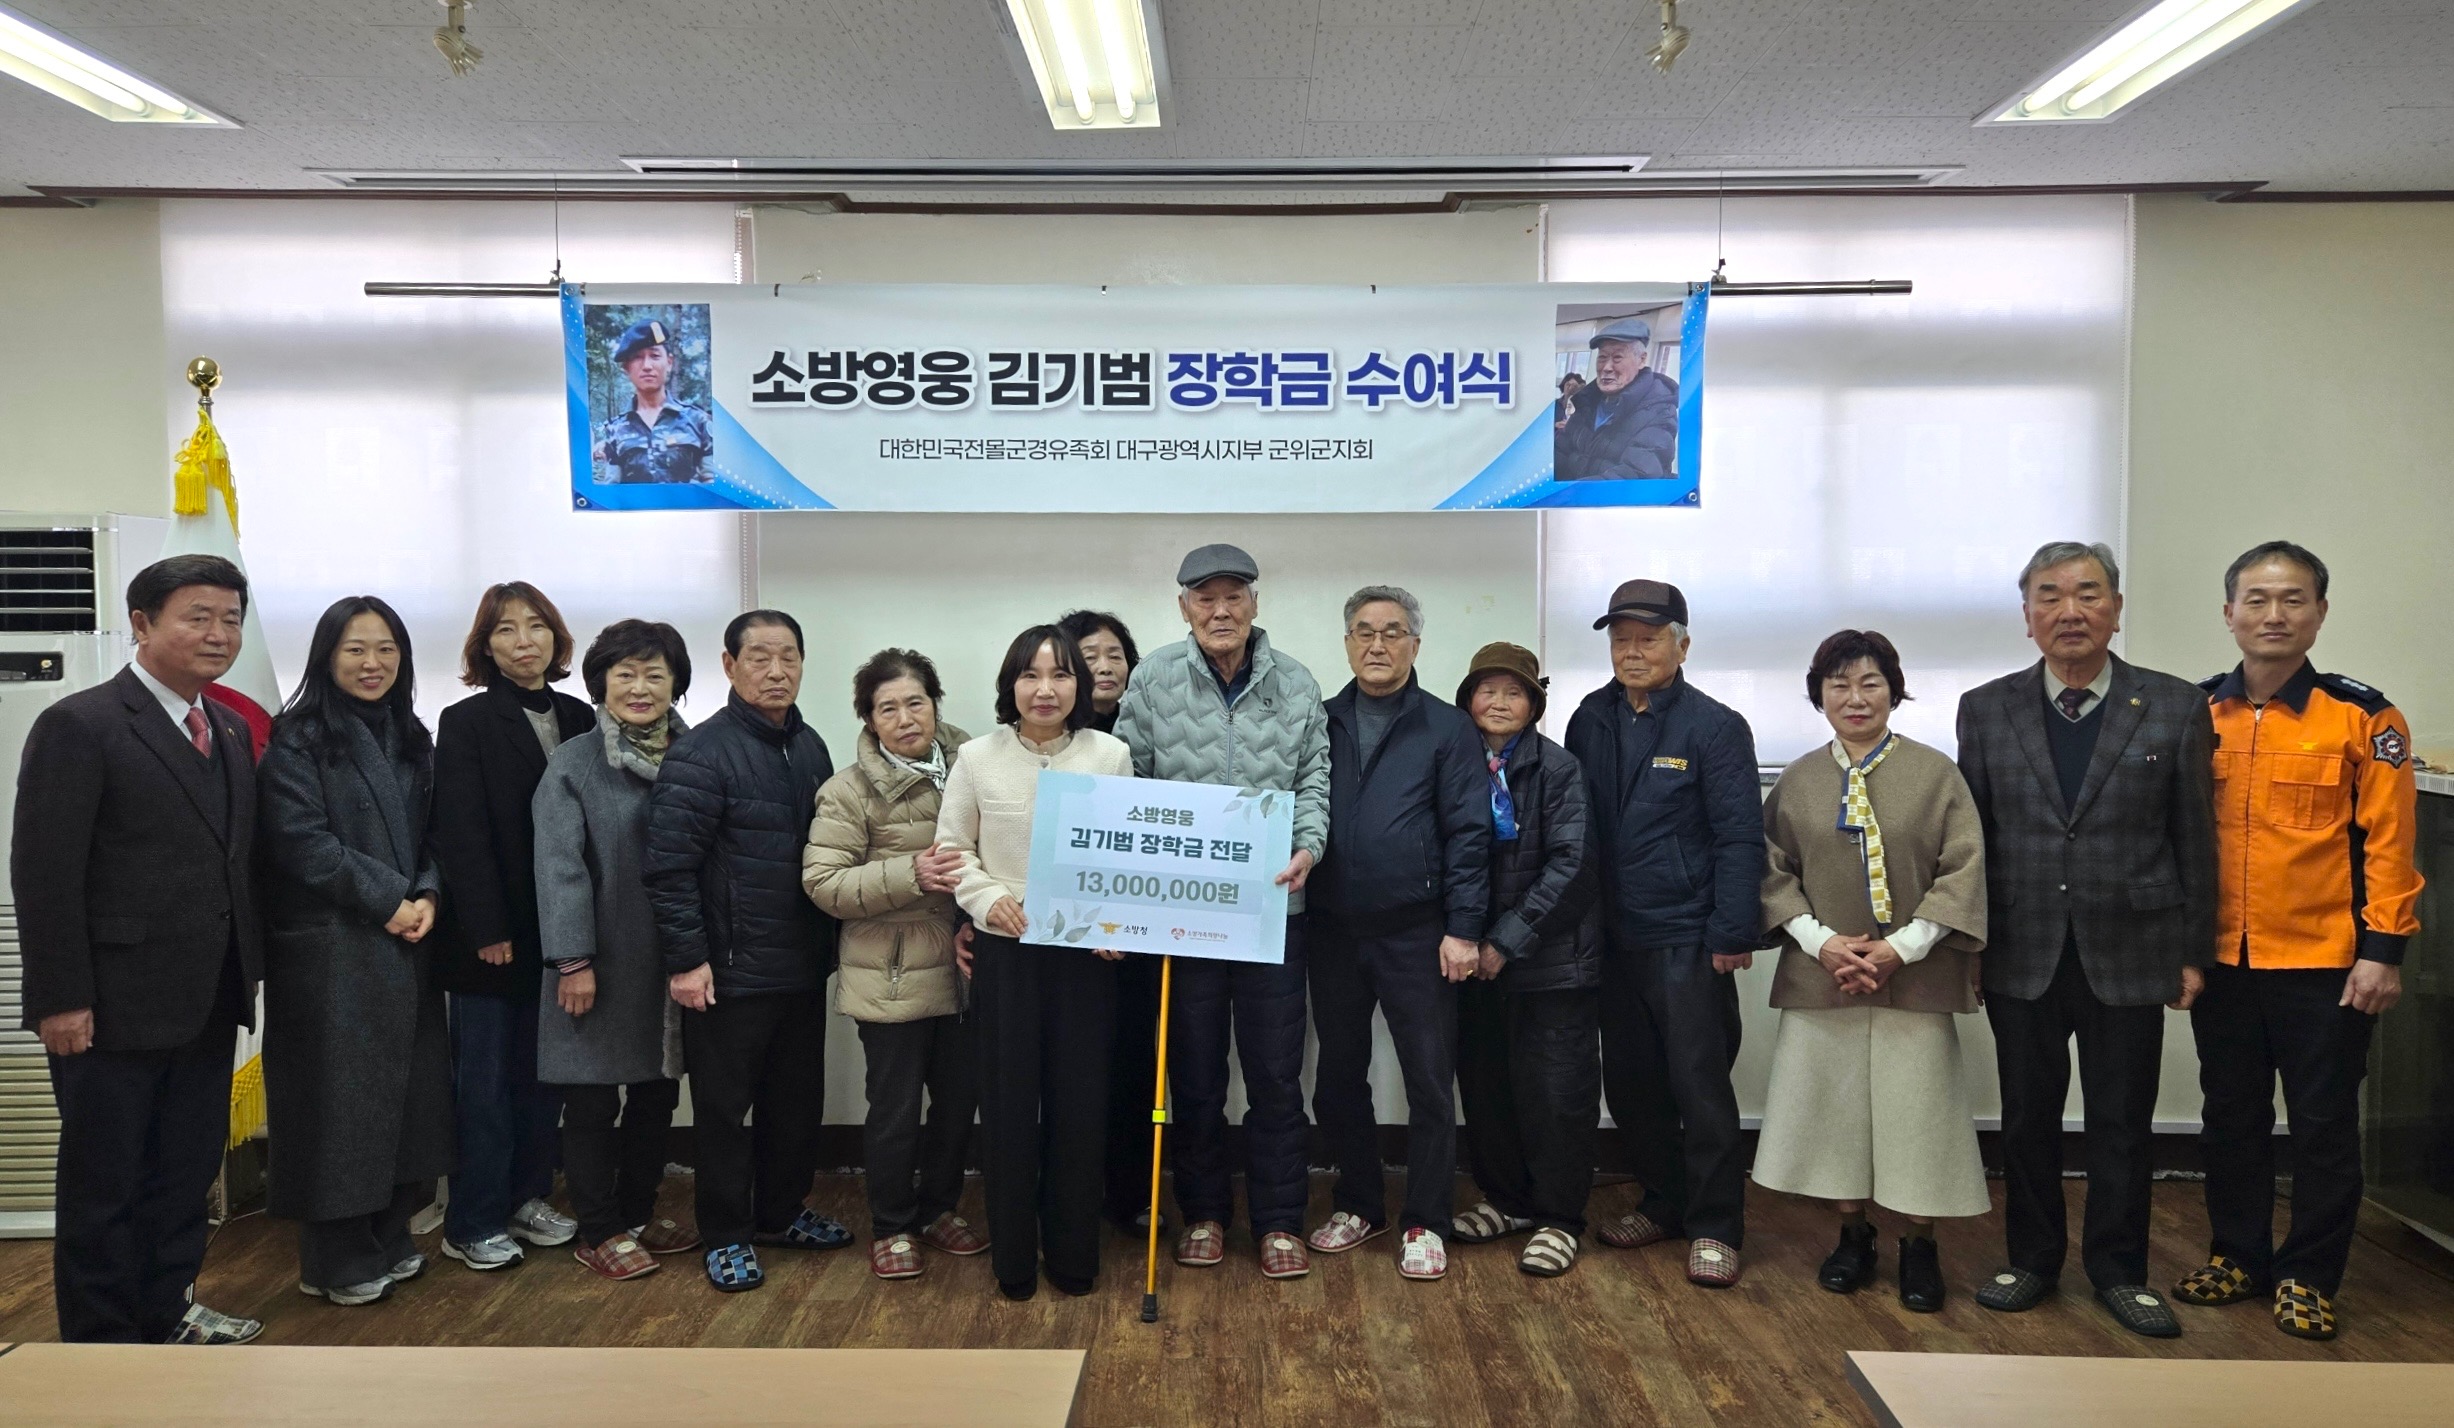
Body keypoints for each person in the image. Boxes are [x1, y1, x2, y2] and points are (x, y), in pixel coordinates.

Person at [1956, 540, 2216, 1338]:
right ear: (2028, 615)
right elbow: (1973, 840)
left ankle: (2119, 1270)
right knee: (2026, 1118)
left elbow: (2195, 837)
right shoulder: (1985, 707)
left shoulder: (2174, 705)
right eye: (2050, 596)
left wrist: (2193, 951)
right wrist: (1969, 948)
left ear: (2116, 608)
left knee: (2122, 1122)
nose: (2070, 611)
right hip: (2021, 947)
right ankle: (2032, 1259)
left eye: (2088, 593)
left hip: (2132, 949)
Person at [12, 555, 265, 1344]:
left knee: (184, 1175)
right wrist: (60, 998)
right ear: (142, 624)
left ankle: (168, 1313)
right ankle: (101, 1346)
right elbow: (44, 874)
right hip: (110, 1007)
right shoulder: (80, 725)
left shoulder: (227, 727)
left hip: (208, 998)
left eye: (231, 619)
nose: (219, 634)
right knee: (106, 1185)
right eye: (198, 617)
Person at [2174, 541, 2422, 1341]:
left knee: (2322, 1125)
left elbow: (2390, 845)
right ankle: (2238, 1255)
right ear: (2229, 614)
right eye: (2256, 599)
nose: (2273, 615)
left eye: (2292, 599)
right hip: (2224, 959)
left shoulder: (2364, 717)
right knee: (2230, 1116)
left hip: (2326, 963)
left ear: (2319, 613)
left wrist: (2384, 952)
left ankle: (2309, 1276)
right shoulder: (2194, 714)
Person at [1751, 630, 1990, 1314]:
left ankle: (1920, 1242)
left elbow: (1964, 870)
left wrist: (1901, 949)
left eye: (1870, 683)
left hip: (1916, 973)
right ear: (1819, 695)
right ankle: (1852, 1234)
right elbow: (1770, 872)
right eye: (1839, 685)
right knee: (1834, 1111)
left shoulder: (1936, 774)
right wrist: (1824, 943)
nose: (1855, 698)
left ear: (1894, 690)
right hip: (1821, 973)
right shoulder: (1797, 780)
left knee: (1919, 1113)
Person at [1110, 548, 1328, 1279]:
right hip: (1185, 916)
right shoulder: (1153, 679)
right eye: (1205, 599)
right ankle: (1202, 1213)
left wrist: (1309, 848)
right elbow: (1128, 781)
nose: (1221, 611)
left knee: (1275, 1076)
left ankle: (1279, 1220)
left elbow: (1314, 781)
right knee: (1194, 1074)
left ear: (1255, 604)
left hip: (1275, 908)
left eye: (1234, 596)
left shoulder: (1296, 682)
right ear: (1185, 608)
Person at [1563, 579, 1763, 1288]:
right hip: (1611, 936)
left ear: (1682, 644)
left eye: (1648, 639)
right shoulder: (1589, 718)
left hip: (1687, 935)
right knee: (1632, 1084)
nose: (1632, 651)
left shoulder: (1715, 726)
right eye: (1621, 639)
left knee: (1699, 1087)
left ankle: (1715, 1226)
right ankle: (1662, 1202)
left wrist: (1732, 931)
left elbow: (1741, 837)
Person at [645, 609, 849, 1293]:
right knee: (724, 1114)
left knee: (795, 1105)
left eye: (788, 656)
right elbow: (668, 869)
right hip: (726, 973)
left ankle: (781, 1213)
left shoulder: (811, 745)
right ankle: (727, 1233)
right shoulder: (700, 753)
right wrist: (686, 960)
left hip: (800, 965)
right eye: (759, 657)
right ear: (730, 666)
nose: (776, 671)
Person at [258, 596, 452, 1308]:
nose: (373, 663)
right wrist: (390, 900)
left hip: (406, 942)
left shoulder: (412, 735)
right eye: (355, 649)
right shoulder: (297, 738)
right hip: (334, 949)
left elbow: (435, 832)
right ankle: (334, 1259)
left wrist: (428, 893)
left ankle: (389, 1235)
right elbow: (301, 843)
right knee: (337, 1109)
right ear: (326, 657)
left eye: (386, 649)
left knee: (409, 1101)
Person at [936, 626, 1134, 1300]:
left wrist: (1115, 920)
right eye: (1030, 675)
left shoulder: (1110, 755)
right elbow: (952, 850)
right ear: (1011, 684)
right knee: (1009, 1105)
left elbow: (1125, 852)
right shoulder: (975, 757)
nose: (1045, 689)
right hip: (1007, 952)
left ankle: (1074, 1254)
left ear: (1081, 685)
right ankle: (1015, 1259)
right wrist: (986, 900)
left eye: (1060, 674)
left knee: (1081, 1105)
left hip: (1085, 960)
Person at [1307, 584, 1490, 1282]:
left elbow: (1470, 835)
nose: (1377, 645)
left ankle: (1426, 1220)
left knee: (1429, 1083)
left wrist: (1464, 930)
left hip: (1419, 933)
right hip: (1332, 931)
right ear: (1347, 643)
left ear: (1416, 643)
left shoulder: (1446, 727)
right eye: (1364, 632)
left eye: (1392, 632)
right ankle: (1359, 1203)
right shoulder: (1320, 721)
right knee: (1337, 1077)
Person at [802, 648, 988, 1281]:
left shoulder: (977, 765)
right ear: (868, 719)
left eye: (916, 702)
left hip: (967, 969)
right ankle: (891, 1224)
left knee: (957, 1104)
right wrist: (911, 873)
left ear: (935, 704)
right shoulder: (846, 791)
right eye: (888, 709)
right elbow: (823, 883)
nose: (906, 718)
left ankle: (939, 1209)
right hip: (891, 973)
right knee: (894, 1109)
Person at [534, 620, 703, 1281]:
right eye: (625, 673)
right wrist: (572, 960)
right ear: (600, 682)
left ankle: (636, 1213)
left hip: (674, 959)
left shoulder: (698, 756)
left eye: (655, 674)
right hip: (599, 962)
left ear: (675, 684)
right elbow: (560, 869)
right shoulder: (573, 763)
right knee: (593, 1099)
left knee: (658, 1093)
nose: (640, 687)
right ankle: (598, 1227)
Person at [432, 582, 593, 1271]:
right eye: (505, 629)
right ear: (485, 646)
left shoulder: (581, 715)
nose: (523, 641)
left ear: (557, 638)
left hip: (562, 934)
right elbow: (459, 831)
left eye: (536, 626)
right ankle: (471, 1220)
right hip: (493, 940)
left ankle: (526, 1198)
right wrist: (486, 928)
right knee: (486, 1086)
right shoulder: (464, 721)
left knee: (543, 1079)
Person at [1447, 642, 1604, 1279]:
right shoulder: (1455, 762)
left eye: (1514, 692)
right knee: (1487, 1087)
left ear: (1534, 705)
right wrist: (1466, 940)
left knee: (1557, 1093)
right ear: (1468, 700)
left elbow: (1573, 864)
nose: (1499, 702)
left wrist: (1504, 943)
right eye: (1487, 690)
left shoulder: (1559, 768)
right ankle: (1508, 1201)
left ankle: (1560, 1219)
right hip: (1472, 959)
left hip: (1551, 962)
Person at [1056, 609, 1171, 1238]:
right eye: (1087, 655)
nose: (1103, 667)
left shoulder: (1152, 734)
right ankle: (1068, 1194)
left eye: (1115, 655)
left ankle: (1131, 1194)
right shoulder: (1041, 737)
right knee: (1069, 1070)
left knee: (1134, 1063)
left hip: (1137, 937)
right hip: (1062, 939)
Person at [1553, 317, 1679, 481]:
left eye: (1617, 358)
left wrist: (1570, 492)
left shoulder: (1659, 411)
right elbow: (1560, 451)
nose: (1606, 368)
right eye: (1602, 357)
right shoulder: (1588, 401)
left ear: (1641, 360)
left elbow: (1635, 475)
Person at [595, 318, 712, 485]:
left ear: (669, 363)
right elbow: (612, 489)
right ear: (627, 368)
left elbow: (713, 482)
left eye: (655, 356)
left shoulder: (698, 421)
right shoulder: (616, 429)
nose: (647, 366)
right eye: (637, 358)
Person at [1057, 609, 1139, 736]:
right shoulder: (1054, 730)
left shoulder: (1141, 725)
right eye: (1090, 657)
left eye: (1115, 657)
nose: (1105, 668)